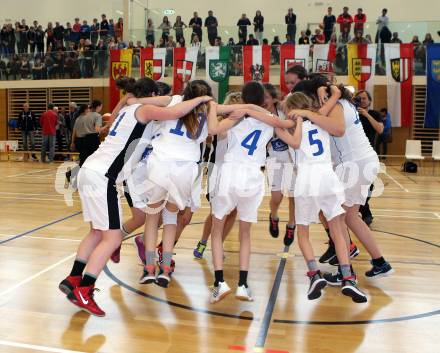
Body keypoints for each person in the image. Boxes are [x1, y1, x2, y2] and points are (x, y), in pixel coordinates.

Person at [58, 77, 212, 317]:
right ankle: (85, 290)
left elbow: (128, 101)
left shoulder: (127, 109)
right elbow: (178, 110)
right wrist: (202, 99)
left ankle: (74, 277)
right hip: (104, 176)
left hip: (90, 170)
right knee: (111, 238)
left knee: (96, 232)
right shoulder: (145, 110)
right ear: (151, 93)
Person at [207, 81, 295, 303]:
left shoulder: (235, 115)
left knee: (217, 231)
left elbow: (212, 129)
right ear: (264, 99)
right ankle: (243, 285)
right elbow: (288, 127)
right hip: (254, 176)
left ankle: (219, 282)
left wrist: (237, 109)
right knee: (245, 233)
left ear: (243, 98)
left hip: (229, 173)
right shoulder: (269, 120)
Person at [277, 92, 366, 302]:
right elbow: (332, 100)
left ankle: (314, 275)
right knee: (338, 231)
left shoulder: (286, 128)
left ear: (290, 111)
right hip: (328, 177)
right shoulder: (322, 121)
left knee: (303, 233)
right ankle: (347, 277)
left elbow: (293, 139)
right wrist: (334, 93)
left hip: (307, 179)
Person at [263, 84, 296, 245]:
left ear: (273, 98)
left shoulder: (284, 109)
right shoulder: (260, 114)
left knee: (293, 196)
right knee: (277, 196)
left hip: (291, 157)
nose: (264, 100)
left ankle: (291, 225)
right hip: (273, 158)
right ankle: (273, 215)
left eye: (267, 97)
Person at [354, 90, 383, 226]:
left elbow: (380, 129)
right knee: (355, 187)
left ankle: (365, 212)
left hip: (369, 155)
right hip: (353, 157)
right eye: (359, 98)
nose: (362, 100)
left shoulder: (374, 114)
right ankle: (365, 214)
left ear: (370, 101)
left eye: (364, 98)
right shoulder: (352, 115)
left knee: (368, 186)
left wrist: (366, 114)